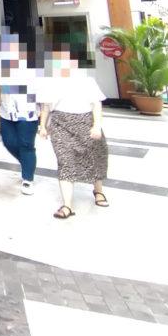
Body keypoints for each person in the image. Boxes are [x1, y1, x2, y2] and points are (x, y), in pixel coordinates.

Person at [37, 46, 109, 219]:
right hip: (61, 124)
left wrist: (97, 125)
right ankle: (67, 205)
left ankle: (98, 191)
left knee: (95, 158)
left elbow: (96, 104)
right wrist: (43, 126)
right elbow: (45, 106)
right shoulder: (50, 82)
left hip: (86, 123)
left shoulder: (87, 81)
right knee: (65, 161)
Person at [0, 33, 41, 195]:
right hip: (6, 113)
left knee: (26, 145)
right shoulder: (0, 69)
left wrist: (45, 117)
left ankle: (27, 179)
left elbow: (43, 91)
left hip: (28, 113)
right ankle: (28, 163)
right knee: (9, 142)